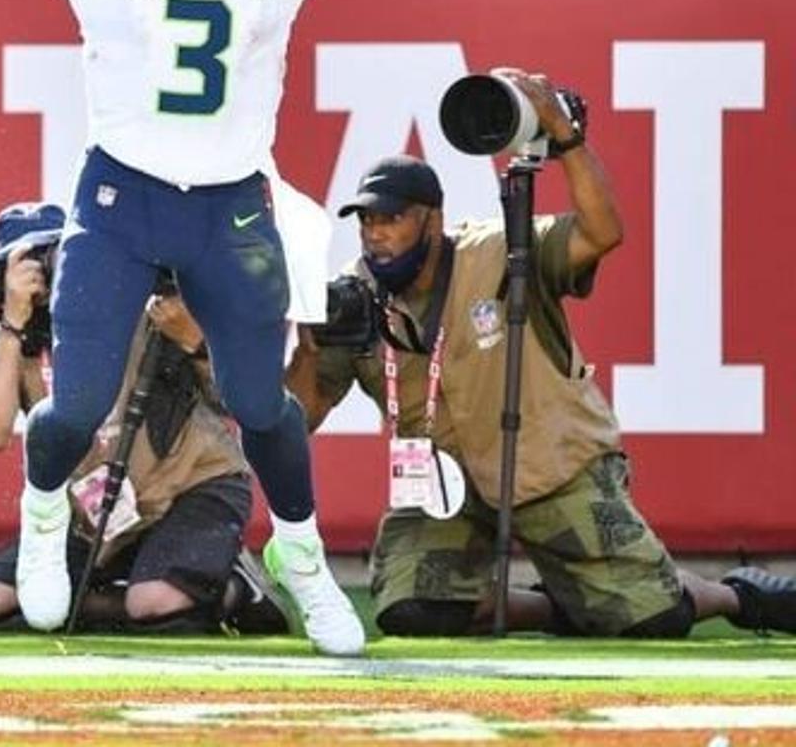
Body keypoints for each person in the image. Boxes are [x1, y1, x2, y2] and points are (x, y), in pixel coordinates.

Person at [0, 0, 483, 654]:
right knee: (75, 405)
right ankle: (44, 512)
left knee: (262, 404)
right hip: (120, 195)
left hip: (233, 200)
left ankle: (299, 552)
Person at [290, 127, 796, 639]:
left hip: (551, 464)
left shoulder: (503, 252)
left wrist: (569, 145)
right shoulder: (352, 300)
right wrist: (308, 351)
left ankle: (736, 594)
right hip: (447, 486)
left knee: (652, 617)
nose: (375, 233)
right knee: (414, 610)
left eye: (391, 218)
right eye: (368, 221)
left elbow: (601, 233)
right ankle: (560, 607)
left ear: (432, 219)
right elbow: (300, 416)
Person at [0, 202, 290, 636]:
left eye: (50, 258)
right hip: (89, 512)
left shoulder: (139, 306)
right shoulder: (2, 344)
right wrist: (13, 324)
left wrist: (194, 341)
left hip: (190, 486)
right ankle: (139, 588)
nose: (41, 280)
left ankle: (234, 585)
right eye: (23, 266)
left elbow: (238, 398)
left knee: (154, 603)